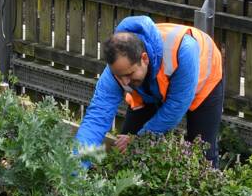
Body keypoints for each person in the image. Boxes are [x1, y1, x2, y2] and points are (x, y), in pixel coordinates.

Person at [75, 15, 225, 166]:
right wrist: (75, 168)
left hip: (204, 85)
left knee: (202, 153)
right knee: (125, 150)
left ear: (144, 58)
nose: (124, 82)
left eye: (129, 74)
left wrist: (139, 138)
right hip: (150, 88)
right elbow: (97, 118)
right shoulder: (117, 70)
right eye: (119, 76)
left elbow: (176, 106)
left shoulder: (183, 51)